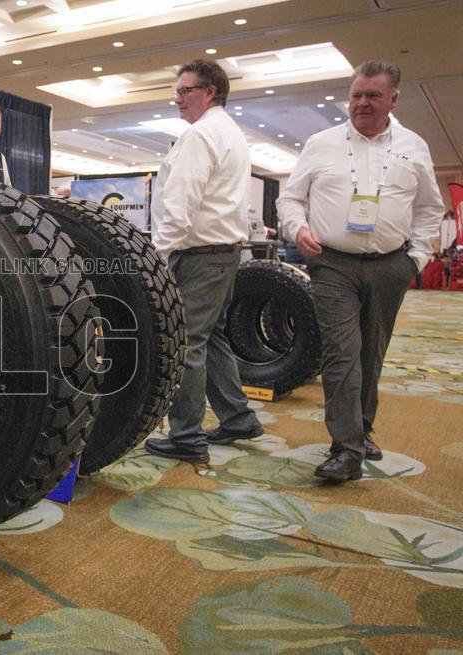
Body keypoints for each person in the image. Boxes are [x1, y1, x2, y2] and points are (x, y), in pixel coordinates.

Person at [278, 60, 443, 482]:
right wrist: (297, 228)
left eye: (372, 95)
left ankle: (362, 428)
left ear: (393, 99)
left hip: (390, 265)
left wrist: (416, 258)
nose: (362, 103)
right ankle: (346, 448)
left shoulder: (413, 146)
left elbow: (429, 209)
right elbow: (290, 198)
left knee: (372, 351)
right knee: (342, 353)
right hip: (333, 263)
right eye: (356, 95)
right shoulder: (321, 142)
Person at [144, 59, 263, 464]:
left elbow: (180, 206)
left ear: (210, 92)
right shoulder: (230, 132)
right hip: (223, 254)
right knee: (211, 338)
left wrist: (156, 257)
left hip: (200, 257)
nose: (177, 99)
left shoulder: (200, 135)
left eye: (184, 91)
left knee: (187, 343)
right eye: (176, 91)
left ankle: (187, 438)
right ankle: (238, 417)